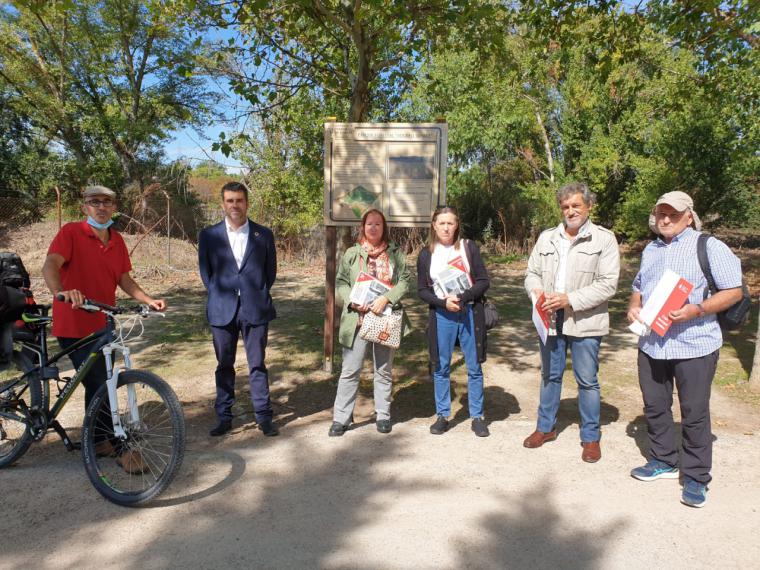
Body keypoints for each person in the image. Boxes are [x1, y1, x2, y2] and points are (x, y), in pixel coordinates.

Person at [627, 191, 743, 508]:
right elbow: (638, 288)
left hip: (694, 344)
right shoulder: (650, 249)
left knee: (693, 413)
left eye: (673, 214)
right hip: (652, 343)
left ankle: (695, 477)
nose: (665, 219)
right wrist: (633, 307)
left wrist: (699, 309)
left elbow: (734, 290)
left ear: (688, 216)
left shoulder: (709, 246)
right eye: (661, 213)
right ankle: (663, 460)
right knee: (655, 406)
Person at [42, 185, 166, 473]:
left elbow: (123, 278)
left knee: (103, 380)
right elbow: (50, 265)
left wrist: (149, 300)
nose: (100, 206)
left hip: (102, 321)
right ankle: (117, 445)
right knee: (99, 382)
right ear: (85, 207)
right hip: (73, 323)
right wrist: (62, 292)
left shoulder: (117, 240)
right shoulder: (71, 233)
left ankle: (99, 441)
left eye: (106, 202)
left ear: (113, 207)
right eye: (94, 202)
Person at [523, 182, 620, 462]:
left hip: (586, 319)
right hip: (550, 319)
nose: (570, 211)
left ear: (588, 206)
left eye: (576, 205)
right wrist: (537, 291)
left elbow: (608, 284)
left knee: (587, 381)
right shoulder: (547, 238)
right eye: (566, 206)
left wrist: (570, 299)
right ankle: (545, 428)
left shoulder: (604, 239)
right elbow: (532, 273)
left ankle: (590, 437)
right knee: (550, 375)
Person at [198, 181, 279, 437]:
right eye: (230, 200)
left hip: (254, 308)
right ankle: (224, 417)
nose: (235, 205)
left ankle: (263, 416)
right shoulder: (209, 236)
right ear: (223, 203)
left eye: (239, 200)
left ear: (247, 203)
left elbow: (270, 273)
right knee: (224, 364)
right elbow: (206, 274)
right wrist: (223, 294)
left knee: (257, 364)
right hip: (223, 309)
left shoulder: (263, 235)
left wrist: (253, 292)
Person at [329, 209, 411, 436]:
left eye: (378, 224)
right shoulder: (352, 253)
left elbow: (405, 281)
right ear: (363, 227)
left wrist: (387, 297)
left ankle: (383, 415)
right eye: (369, 224)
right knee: (350, 370)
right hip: (358, 320)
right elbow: (342, 282)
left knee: (383, 370)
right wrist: (352, 301)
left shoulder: (395, 252)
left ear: (384, 228)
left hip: (384, 319)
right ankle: (341, 418)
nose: (373, 228)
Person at [417, 206, 491, 437]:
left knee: (474, 366)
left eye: (450, 223)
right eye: (442, 223)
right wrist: (442, 303)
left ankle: (477, 416)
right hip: (443, 314)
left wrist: (463, 296)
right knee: (440, 367)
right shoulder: (426, 254)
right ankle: (442, 415)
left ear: (456, 225)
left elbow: (483, 281)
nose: (446, 227)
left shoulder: (468, 248)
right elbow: (421, 290)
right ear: (434, 225)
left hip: (469, 312)